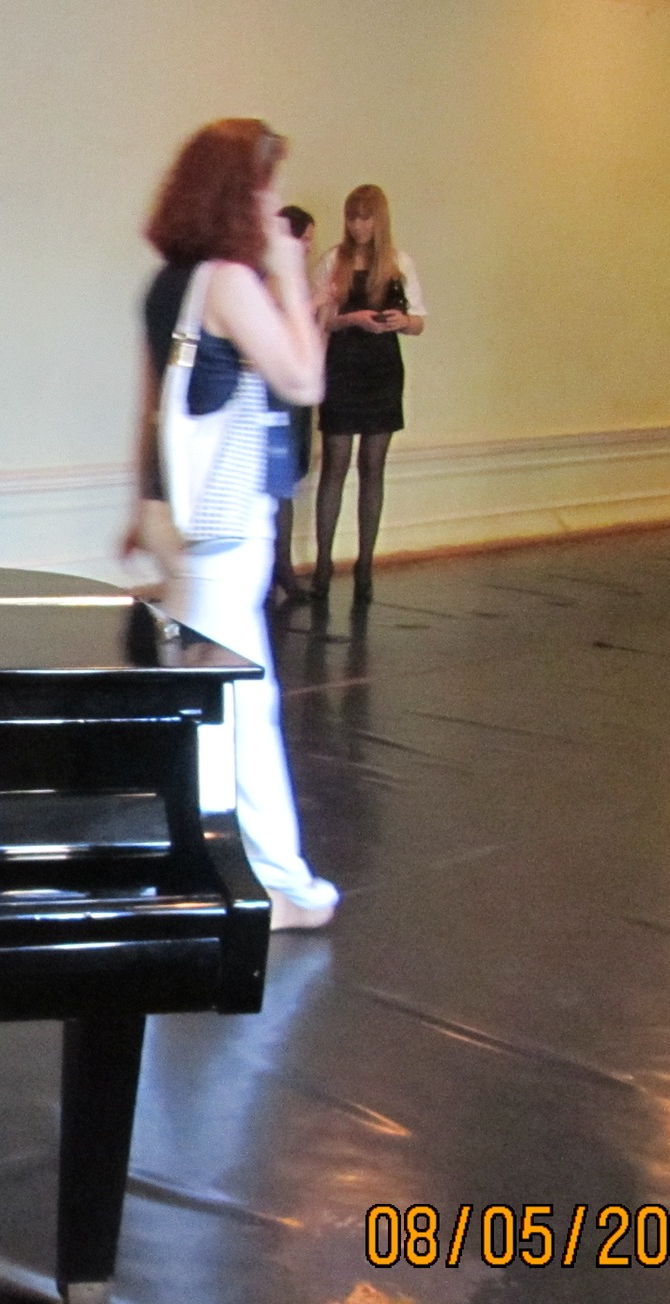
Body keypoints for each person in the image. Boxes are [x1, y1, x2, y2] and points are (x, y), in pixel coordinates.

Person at [125, 119, 339, 932]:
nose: (276, 201)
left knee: (218, 701)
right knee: (240, 708)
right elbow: (305, 379)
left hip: (180, 517)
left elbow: (151, 407)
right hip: (226, 527)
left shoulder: (166, 283)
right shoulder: (227, 282)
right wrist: (290, 273)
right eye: (266, 184)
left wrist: (141, 507)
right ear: (239, 192)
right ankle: (274, 884)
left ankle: (232, 872)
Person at [312, 184, 425, 604]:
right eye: (352, 217)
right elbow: (320, 320)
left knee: (373, 466)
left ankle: (365, 564)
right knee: (335, 464)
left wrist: (402, 321)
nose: (358, 226)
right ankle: (323, 563)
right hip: (342, 366)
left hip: (382, 368)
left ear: (379, 219)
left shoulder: (399, 263)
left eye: (365, 217)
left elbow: (419, 321)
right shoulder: (332, 261)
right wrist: (352, 318)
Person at [269, 203, 318, 605]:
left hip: (288, 388)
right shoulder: (274, 281)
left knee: (286, 480)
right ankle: (278, 570)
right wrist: (317, 303)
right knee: (279, 481)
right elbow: (283, 329)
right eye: (306, 239)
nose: (309, 247)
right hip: (278, 389)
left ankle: (279, 569)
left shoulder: (285, 279)